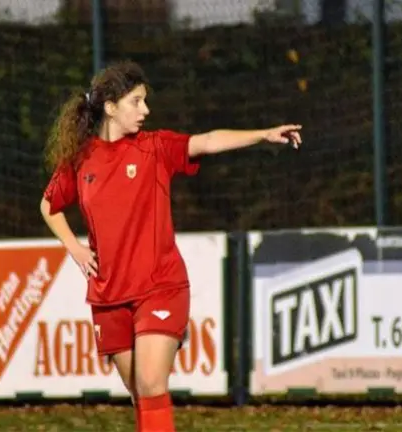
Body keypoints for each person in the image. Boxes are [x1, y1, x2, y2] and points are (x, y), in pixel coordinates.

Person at [39, 60, 302, 432]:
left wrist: (263, 134)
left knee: (150, 382)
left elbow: (208, 140)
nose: (145, 110)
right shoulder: (82, 159)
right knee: (140, 393)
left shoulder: (155, 147)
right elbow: (48, 206)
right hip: (109, 294)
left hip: (160, 286)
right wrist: (75, 248)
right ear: (111, 107)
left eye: (145, 101)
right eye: (137, 102)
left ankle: (169, 329)